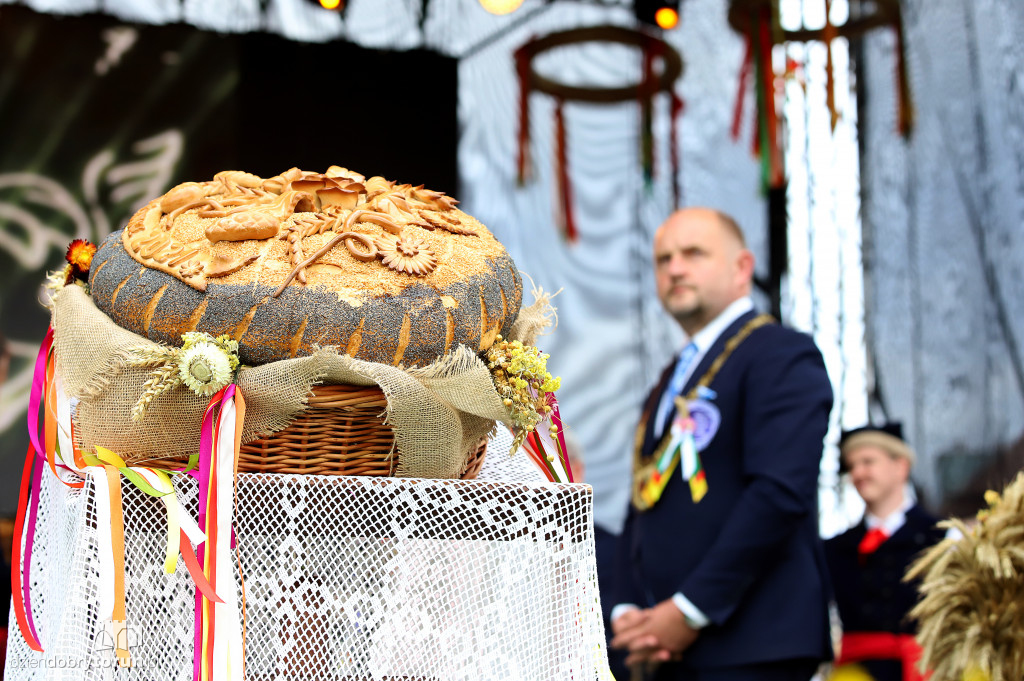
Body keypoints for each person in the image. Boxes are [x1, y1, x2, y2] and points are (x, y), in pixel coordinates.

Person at [609, 207, 834, 681]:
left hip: (750, 643)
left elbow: (778, 493)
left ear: (742, 269)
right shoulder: (671, 378)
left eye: (693, 253)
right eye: (663, 258)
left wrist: (689, 610)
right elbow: (645, 497)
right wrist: (631, 610)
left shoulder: (780, 353)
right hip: (665, 649)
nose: (674, 268)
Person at [824, 424, 944, 681]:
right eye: (852, 465)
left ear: (901, 466)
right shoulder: (834, 548)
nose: (858, 473)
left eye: (868, 462)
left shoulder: (943, 539)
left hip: (930, 672)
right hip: (856, 673)